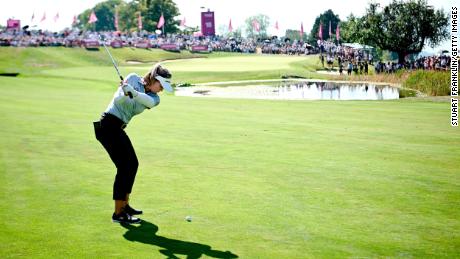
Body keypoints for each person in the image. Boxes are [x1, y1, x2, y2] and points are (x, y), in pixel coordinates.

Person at [93, 64, 173, 224]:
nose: (161, 90)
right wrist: (125, 91)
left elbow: (147, 101)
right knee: (125, 166)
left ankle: (125, 205)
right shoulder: (133, 78)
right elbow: (118, 99)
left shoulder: (155, 98)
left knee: (132, 164)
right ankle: (118, 213)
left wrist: (134, 93)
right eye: (161, 85)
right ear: (154, 79)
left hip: (117, 128)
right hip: (108, 125)